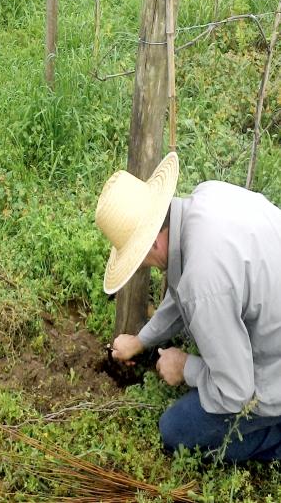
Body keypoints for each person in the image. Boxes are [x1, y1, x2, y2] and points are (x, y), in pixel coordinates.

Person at [95, 152, 281, 462]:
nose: (143, 266)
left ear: (153, 242)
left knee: (177, 432)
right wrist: (142, 341)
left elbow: (235, 391)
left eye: (139, 257)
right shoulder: (206, 198)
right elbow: (186, 289)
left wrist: (186, 368)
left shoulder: (203, 281)